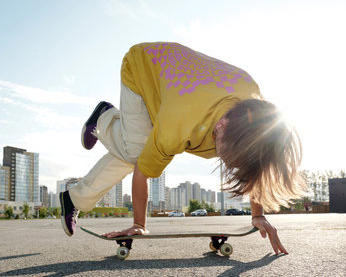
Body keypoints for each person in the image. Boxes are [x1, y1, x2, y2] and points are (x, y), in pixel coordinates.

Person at [59, 42, 305, 255]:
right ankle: (105, 117)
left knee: (134, 147)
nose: (227, 163)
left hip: (174, 85)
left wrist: (258, 215)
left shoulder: (257, 112)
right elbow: (142, 171)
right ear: (222, 124)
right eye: (227, 154)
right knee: (135, 152)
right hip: (142, 67)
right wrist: (138, 224)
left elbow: (257, 161)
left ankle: (74, 199)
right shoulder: (179, 124)